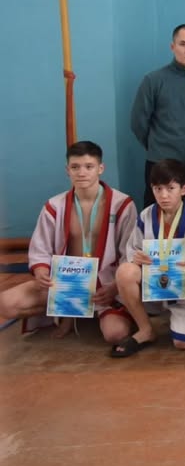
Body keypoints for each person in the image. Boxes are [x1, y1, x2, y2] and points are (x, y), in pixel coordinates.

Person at [0, 141, 136, 343]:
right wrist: (41, 271)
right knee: (6, 303)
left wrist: (115, 286)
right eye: (75, 167)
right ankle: (67, 311)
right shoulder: (54, 206)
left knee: (116, 334)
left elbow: (130, 252)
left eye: (89, 166)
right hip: (66, 284)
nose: (82, 173)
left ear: (100, 168)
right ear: (67, 170)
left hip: (105, 285)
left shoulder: (122, 204)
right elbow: (40, 249)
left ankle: (96, 312)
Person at [111, 159, 185, 357]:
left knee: (182, 343)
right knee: (125, 272)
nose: (163, 195)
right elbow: (132, 251)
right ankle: (145, 329)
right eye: (158, 189)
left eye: (170, 188)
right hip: (152, 286)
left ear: (184, 189)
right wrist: (136, 258)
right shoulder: (146, 215)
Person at [130, 23, 185, 206]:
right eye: (183, 44)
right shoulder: (153, 80)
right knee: (156, 216)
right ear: (172, 46)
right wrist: (158, 147)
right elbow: (138, 123)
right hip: (161, 164)